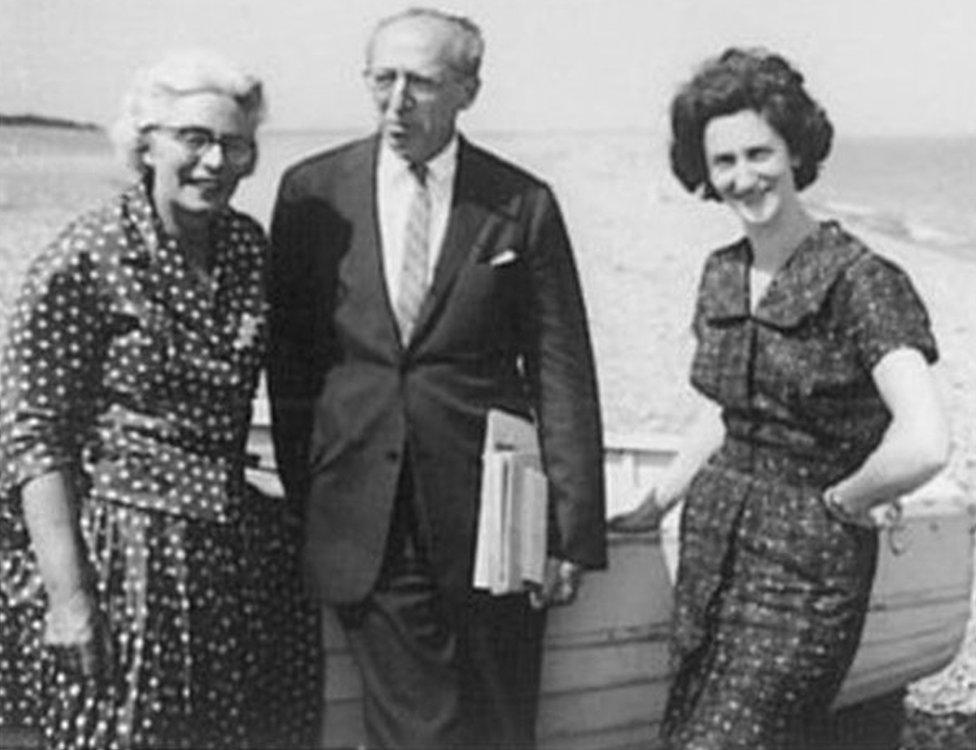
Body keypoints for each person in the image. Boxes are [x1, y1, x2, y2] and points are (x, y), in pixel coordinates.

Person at [268, 8, 606, 749]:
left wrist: (571, 534)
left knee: (502, 721)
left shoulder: (522, 203)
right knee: (418, 729)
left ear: (469, 90)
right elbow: (289, 366)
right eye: (382, 78)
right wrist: (316, 492)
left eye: (421, 82)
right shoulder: (310, 195)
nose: (397, 102)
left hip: (497, 517)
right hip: (367, 510)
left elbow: (561, 370)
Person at [610, 48, 949, 749]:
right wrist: (655, 504)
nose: (744, 177)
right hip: (713, 549)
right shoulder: (721, 274)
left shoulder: (860, 278)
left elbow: (923, 441)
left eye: (759, 153)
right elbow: (722, 412)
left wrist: (842, 503)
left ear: (795, 148)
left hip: (806, 567)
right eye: (724, 161)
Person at [0, 51, 321, 749]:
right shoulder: (85, 256)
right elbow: (33, 437)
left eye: (234, 143)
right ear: (145, 143)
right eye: (194, 139)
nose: (215, 161)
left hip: (230, 554)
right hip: (123, 555)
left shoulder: (245, 248)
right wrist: (69, 597)